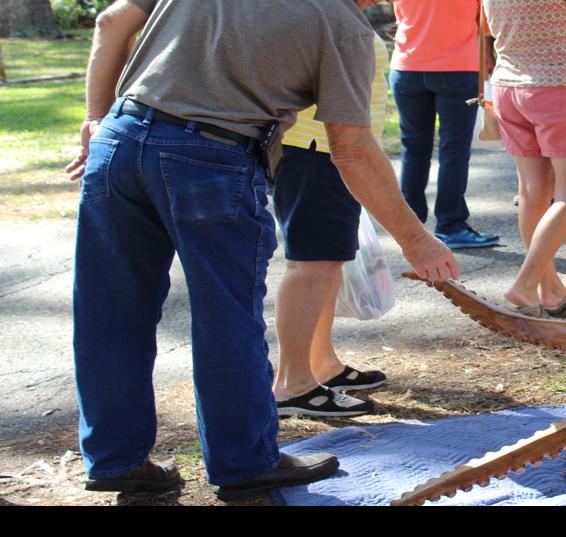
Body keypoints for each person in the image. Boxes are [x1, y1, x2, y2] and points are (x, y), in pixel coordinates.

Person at [66, 0, 457, 500]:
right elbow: (353, 150)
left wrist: (97, 116)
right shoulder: (340, 25)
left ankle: (116, 462)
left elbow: (111, 19)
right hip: (212, 156)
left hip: (120, 138)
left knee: (110, 314)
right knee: (226, 318)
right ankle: (245, 463)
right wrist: (416, 239)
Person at [269, 8, 398, 420]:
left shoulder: (339, 13)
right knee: (311, 265)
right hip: (316, 151)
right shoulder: (326, 14)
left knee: (327, 264)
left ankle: (321, 364)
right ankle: (292, 384)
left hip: (328, 154)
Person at [481, 0, 566, 314]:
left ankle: (550, 289)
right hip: (560, 86)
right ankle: (526, 285)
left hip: (508, 88)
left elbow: (488, 30)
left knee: (532, 191)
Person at [390, 0, 500, 250]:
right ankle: (451, 225)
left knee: (413, 149)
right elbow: (486, 24)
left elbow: (398, 16)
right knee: (454, 151)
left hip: (407, 67)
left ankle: (410, 226)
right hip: (458, 68)